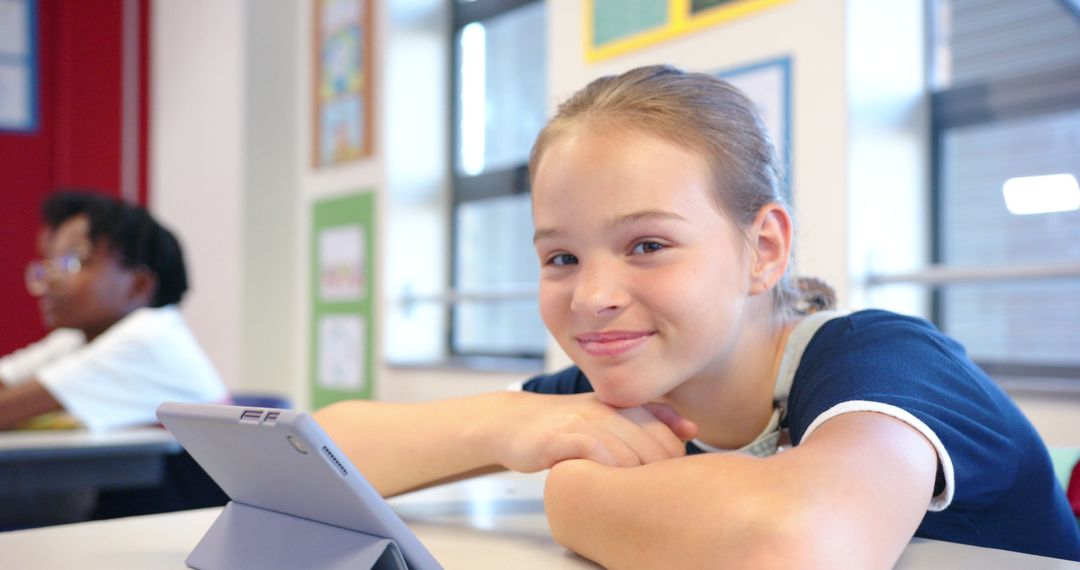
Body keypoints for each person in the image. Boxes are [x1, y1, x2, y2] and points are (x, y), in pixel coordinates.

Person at [314, 65, 1080, 567]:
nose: (591, 296)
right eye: (561, 257)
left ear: (763, 249)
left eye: (647, 245)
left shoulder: (883, 362)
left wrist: (572, 495)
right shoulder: (628, 386)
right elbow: (313, 457)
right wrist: (501, 424)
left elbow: (798, 544)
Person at [0, 191, 227, 431]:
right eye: (51, 262)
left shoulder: (148, 336)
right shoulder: (77, 338)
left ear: (139, 285)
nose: (51, 279)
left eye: (74, 261)